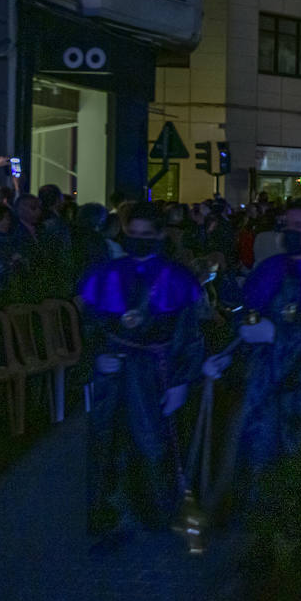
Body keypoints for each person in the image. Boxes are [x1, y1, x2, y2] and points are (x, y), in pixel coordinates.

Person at [203, 201, 301, 535]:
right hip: (264, 380)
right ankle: (257, 526)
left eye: (299, 226)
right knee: (257, 450)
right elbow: (248, 317)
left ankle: (297, 534)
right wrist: (228, 353)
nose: (290, 232)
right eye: (286, 224)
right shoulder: (269, 268)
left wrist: (278, 334)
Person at [77, 203, 205, 553]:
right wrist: (97, 357)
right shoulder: (106, 273)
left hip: (154, 373)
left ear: (161, 235)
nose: (138, 241)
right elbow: (91, 325)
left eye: (146, 236)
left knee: (152, 443)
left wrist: (181, 380)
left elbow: (190, 335)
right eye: (132, 235)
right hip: (114, 370)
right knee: (108, 441)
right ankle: (111, 516)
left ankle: (154, 513)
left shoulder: (178, 278)